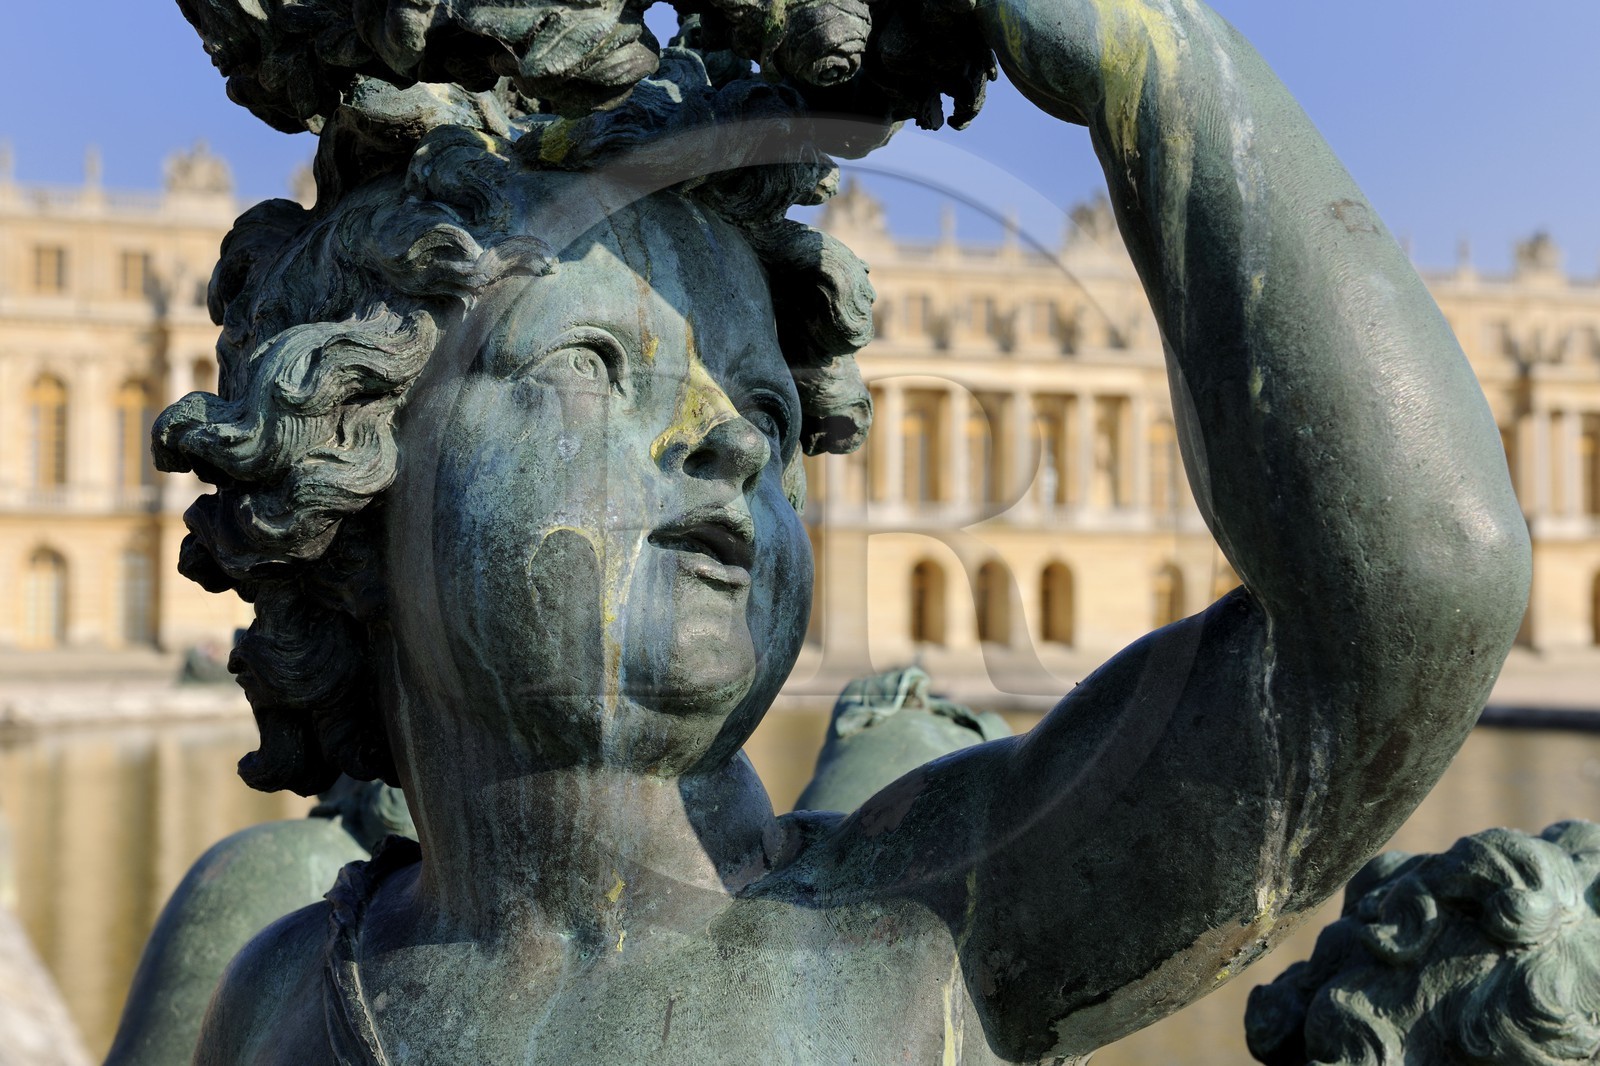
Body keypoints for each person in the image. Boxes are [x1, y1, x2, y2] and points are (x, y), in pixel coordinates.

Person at [156, 1, 1529, 1061]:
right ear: (353, 462)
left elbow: (1418, 585)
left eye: (762, 398)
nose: (733, 437)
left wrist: (1148, 61)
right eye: (589, 366)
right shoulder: (278, 992)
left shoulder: (932, 914)